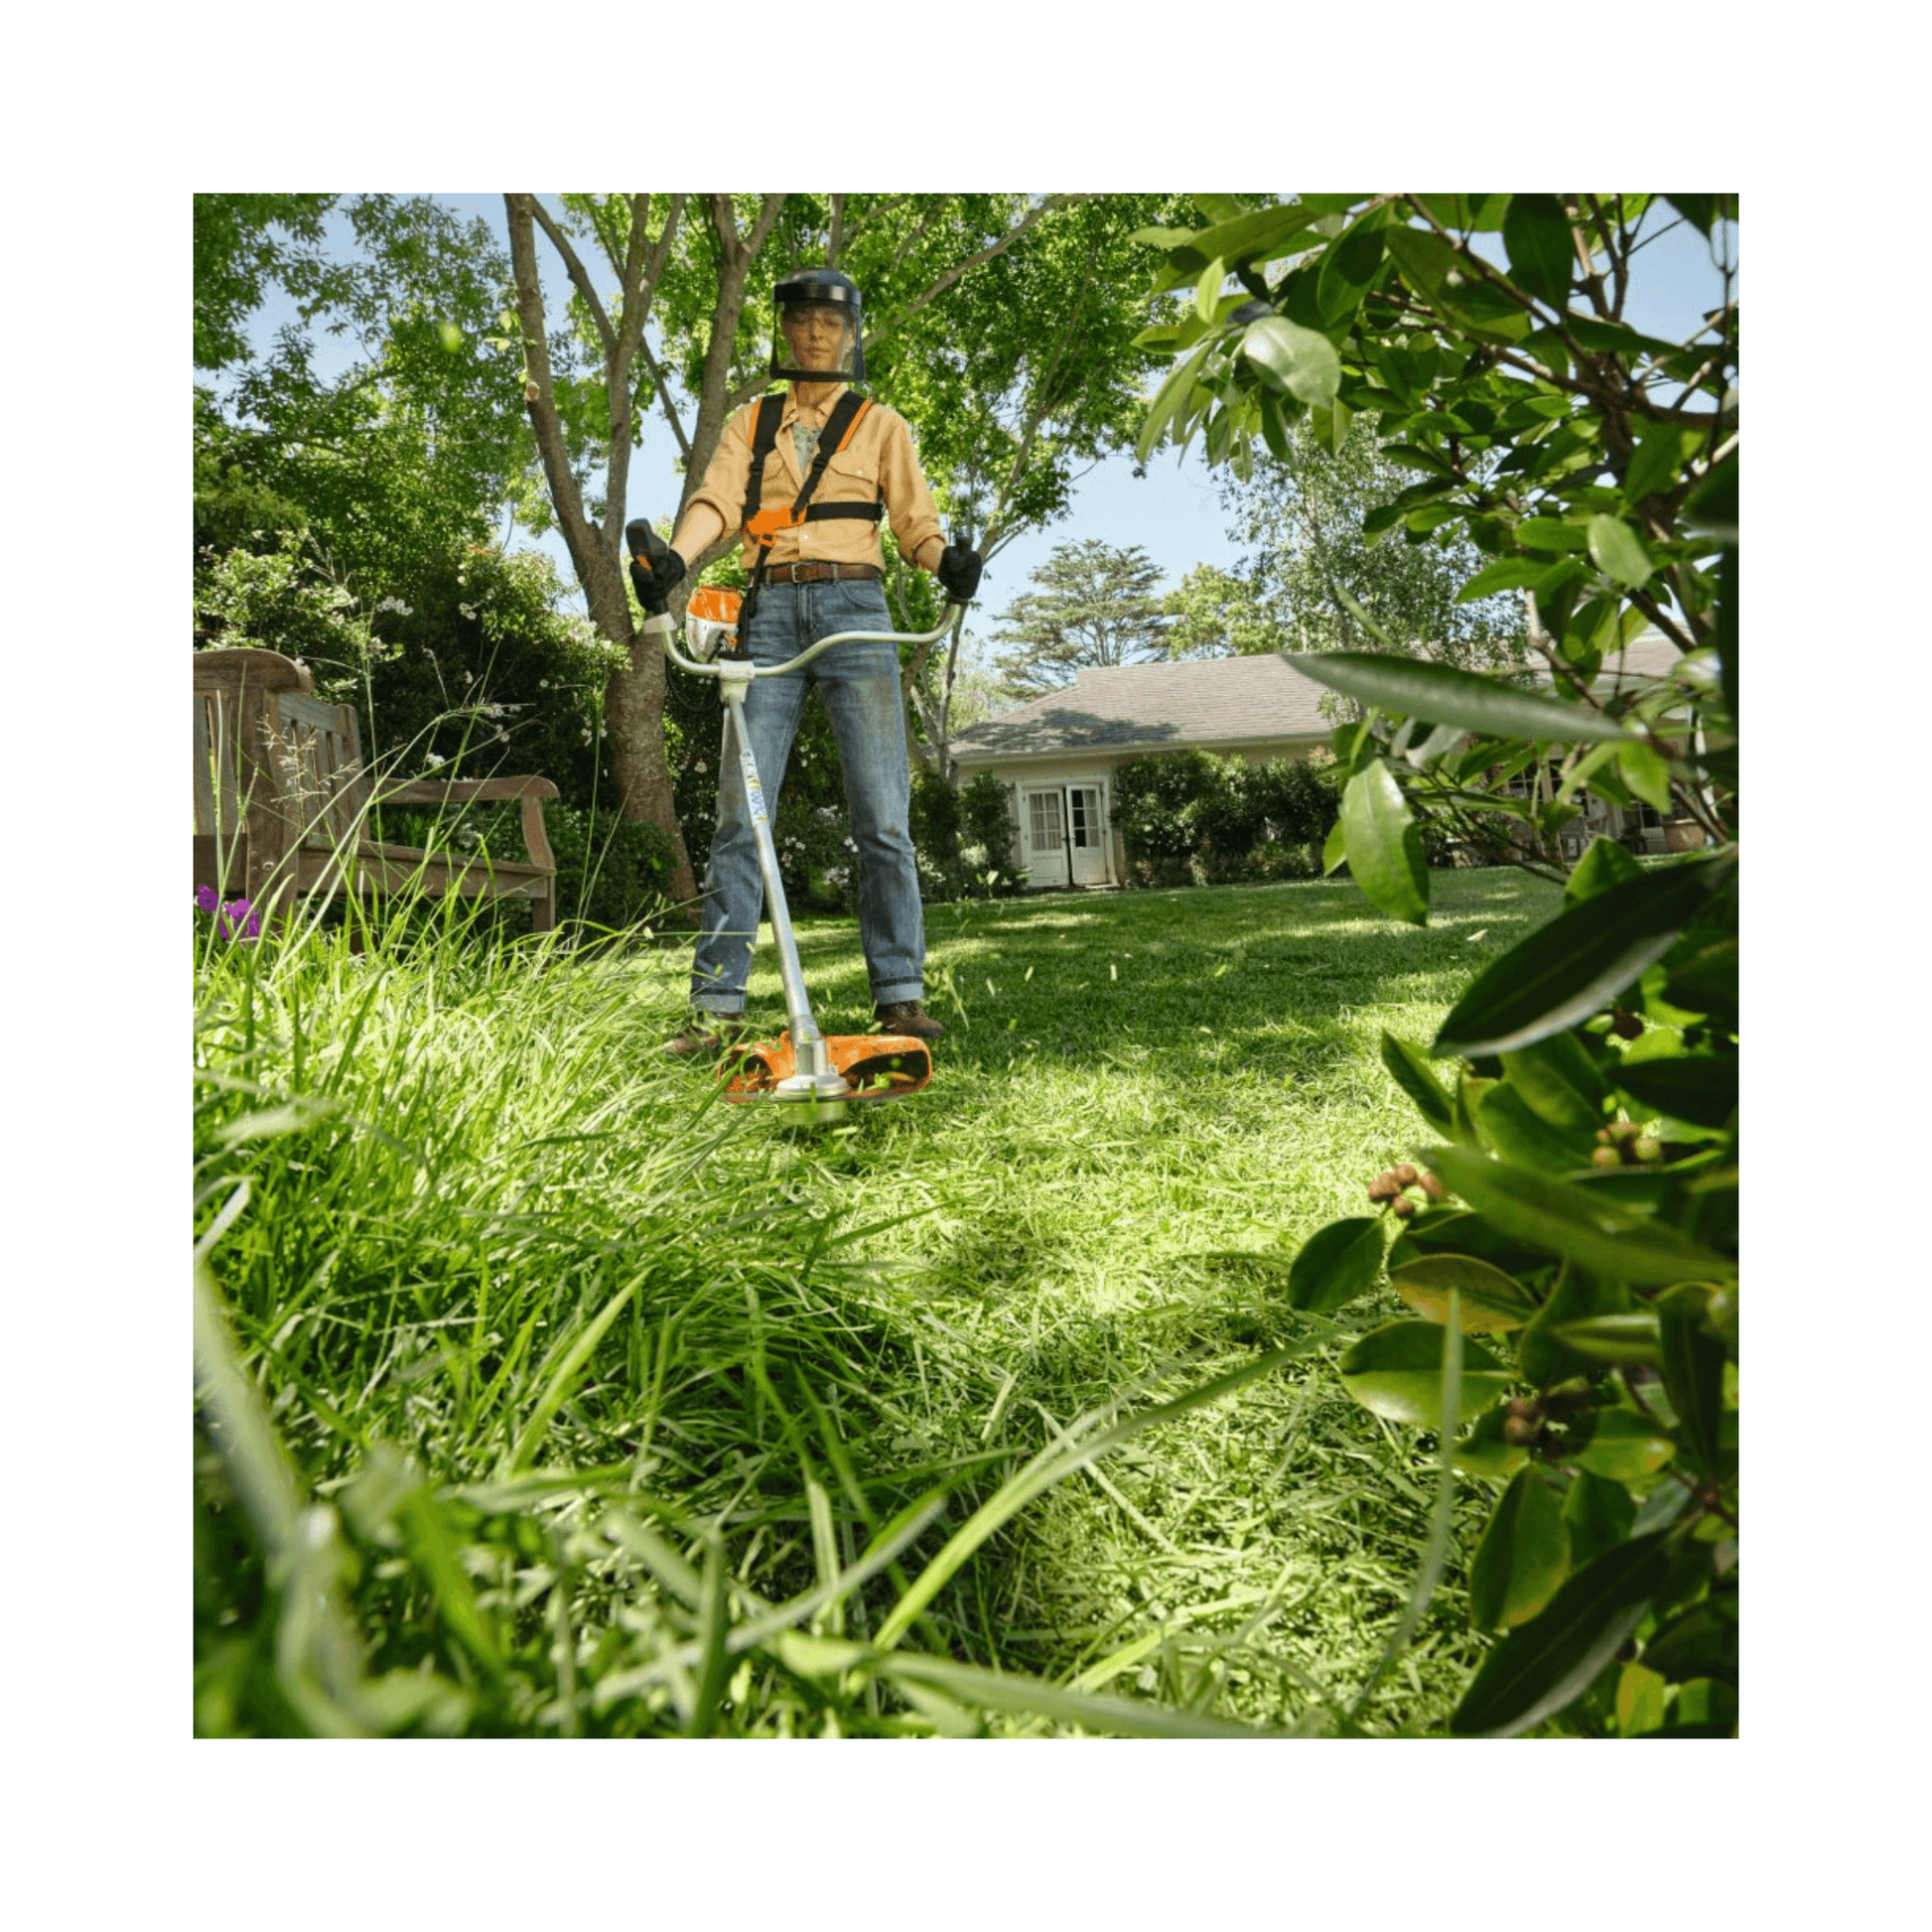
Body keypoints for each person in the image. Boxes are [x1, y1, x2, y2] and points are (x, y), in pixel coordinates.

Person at [628, 267, 982, 1054]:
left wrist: (948, 565)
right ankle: (716, 1008)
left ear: (850, 335)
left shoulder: (882, 426)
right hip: (770, 611)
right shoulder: (750, 424)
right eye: (803, 320)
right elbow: (716, 505)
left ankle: (900, 997)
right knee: (739, 814)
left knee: (882, 814)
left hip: (857, 610)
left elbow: (916, 527)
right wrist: (675, 562)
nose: (816, 333)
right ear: (784, 330)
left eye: (831, 321)